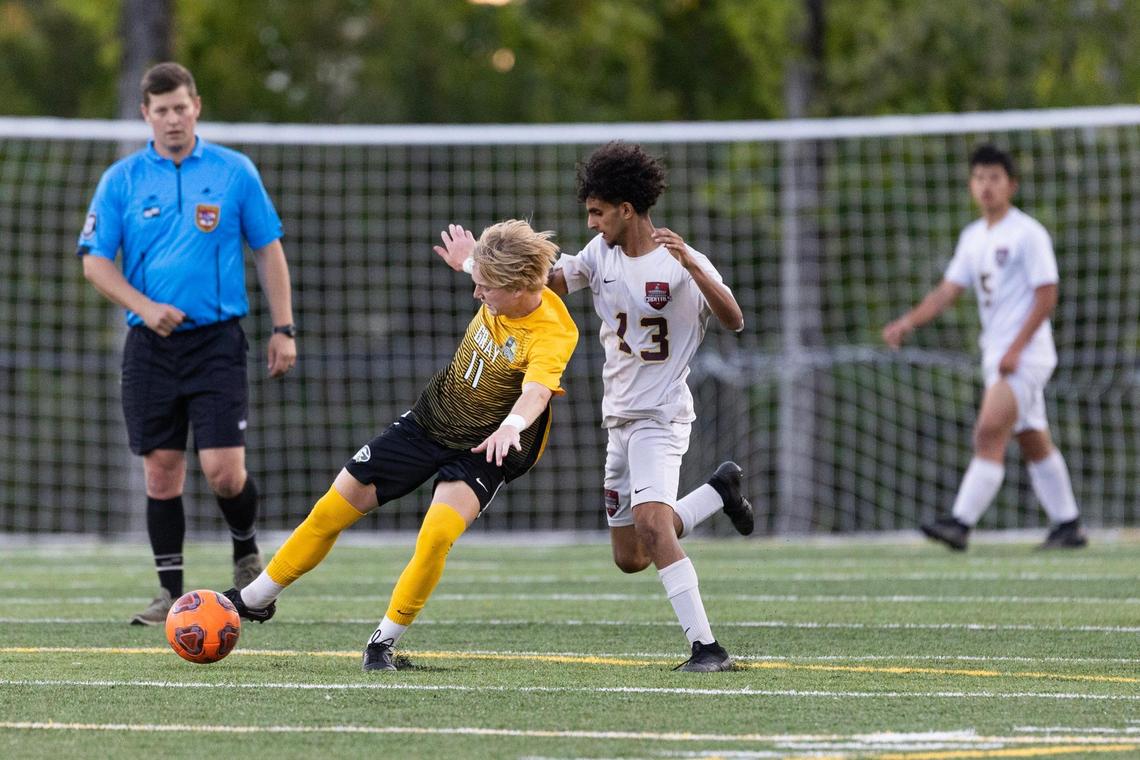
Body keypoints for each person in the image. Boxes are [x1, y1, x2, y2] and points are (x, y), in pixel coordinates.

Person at [436, 142, 752, 672]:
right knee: (632, 556)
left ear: (627, 209)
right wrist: (474, 265)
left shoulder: (678, 259)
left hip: (662, 416)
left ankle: (707, 648)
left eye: (597, 212)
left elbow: (734, 319)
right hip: (618, 420)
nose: (590, 223)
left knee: (653, 524)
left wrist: (697, 270)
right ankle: (719, 492)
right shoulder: (598, 257)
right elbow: (534, 285)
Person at [226, 219, 578, 672]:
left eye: (485, 288)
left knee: (435, 536)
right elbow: (479, 269)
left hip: (487, 446)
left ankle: (383, 643)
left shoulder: (553, 330)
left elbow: (537, 391)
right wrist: (467, 260)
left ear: (515, 287)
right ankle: (254, 599)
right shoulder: (499, 282)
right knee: (332, 508)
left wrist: (512, 425)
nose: (476, 295)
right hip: (429, 422)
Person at [77, 62, 297, 625]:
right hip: (150, 347)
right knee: (161, 471)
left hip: (218, 340)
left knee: (223, 470)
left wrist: (283, 328)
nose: (172, 119)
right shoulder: (122, 180)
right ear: (145, 114)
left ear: (196, 105)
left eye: (181, 107)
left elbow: (268, 248)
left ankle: (246, 551)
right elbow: (96, 263)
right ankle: (171, 596)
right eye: (161, 110)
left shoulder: (233, 171)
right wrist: (145, 308)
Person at [883, 143, 1086, 551]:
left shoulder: (1028, 233)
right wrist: (908, 322)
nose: (986, 186)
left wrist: (1016, 348)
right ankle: (1068, 524)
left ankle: (960, 523)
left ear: (1011, 184)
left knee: (989, 431)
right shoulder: (973, 237)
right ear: (970, 185)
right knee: (1032, 438)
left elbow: (1047, 295)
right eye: (979, 178)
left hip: (1026, 354)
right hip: (997, 353)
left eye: (995, 178)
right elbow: (947, 292)